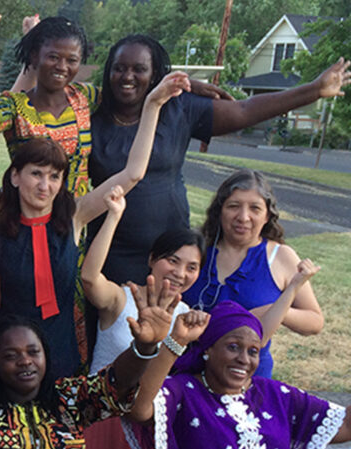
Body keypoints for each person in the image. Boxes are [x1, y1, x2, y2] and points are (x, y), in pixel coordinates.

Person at [88, 35, 351, 285]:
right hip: (109, 255)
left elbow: (244, 110)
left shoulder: (180, 108)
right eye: (119, 68)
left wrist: (314, 90)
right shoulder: (90, 117)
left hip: (173, 255)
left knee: (169, 329)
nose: (128, 77)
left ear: (156, 73)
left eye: (139, 69)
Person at [0, 71, 189, 380]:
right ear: (15, 176)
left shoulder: (74, 216)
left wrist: (152, 105)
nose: (45, 185)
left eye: (54, 176)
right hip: (11, 356)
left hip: (62, 354)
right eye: (36, 174)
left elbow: (133, 173)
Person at [0, 263, 184, 448]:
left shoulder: (69, 399)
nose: (25, 360)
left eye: (33, 351)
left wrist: (144, 346)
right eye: (11, 355)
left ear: (46, 356)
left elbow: (116, 384)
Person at [128, 289, 351, 448]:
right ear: (208, 349)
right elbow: (140, 409)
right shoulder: (184, 390)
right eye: (233, 347)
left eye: (253, 351)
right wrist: (176, 340)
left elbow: (345, 425)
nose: (244, 359)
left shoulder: (275, 395)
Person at [80, 189, 202, 447]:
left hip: (148, 423)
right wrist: (114, 216)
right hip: (101, 415)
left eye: (192, 267)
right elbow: (90, 278)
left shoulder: (186, 318)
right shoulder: (122, 299)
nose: (180, 273)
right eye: (173, 261)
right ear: (152, 259)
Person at [181, 169, 324, 378]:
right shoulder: (197, 249)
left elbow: (315, 322)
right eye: (233, 206)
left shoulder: (280, 257)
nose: (243, 217)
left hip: (248, 380)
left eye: (255, 208)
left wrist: (275, 310)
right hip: (187, 374)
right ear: (219, 211)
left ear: (267, 215)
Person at [0, 6, 97, 197]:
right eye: (53, 57)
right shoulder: (15, 107)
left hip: (74, 221)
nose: (62, 67)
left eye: (72, 60)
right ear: (34, 56)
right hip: (27, 222)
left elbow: (127, 102)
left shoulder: (84, 97)